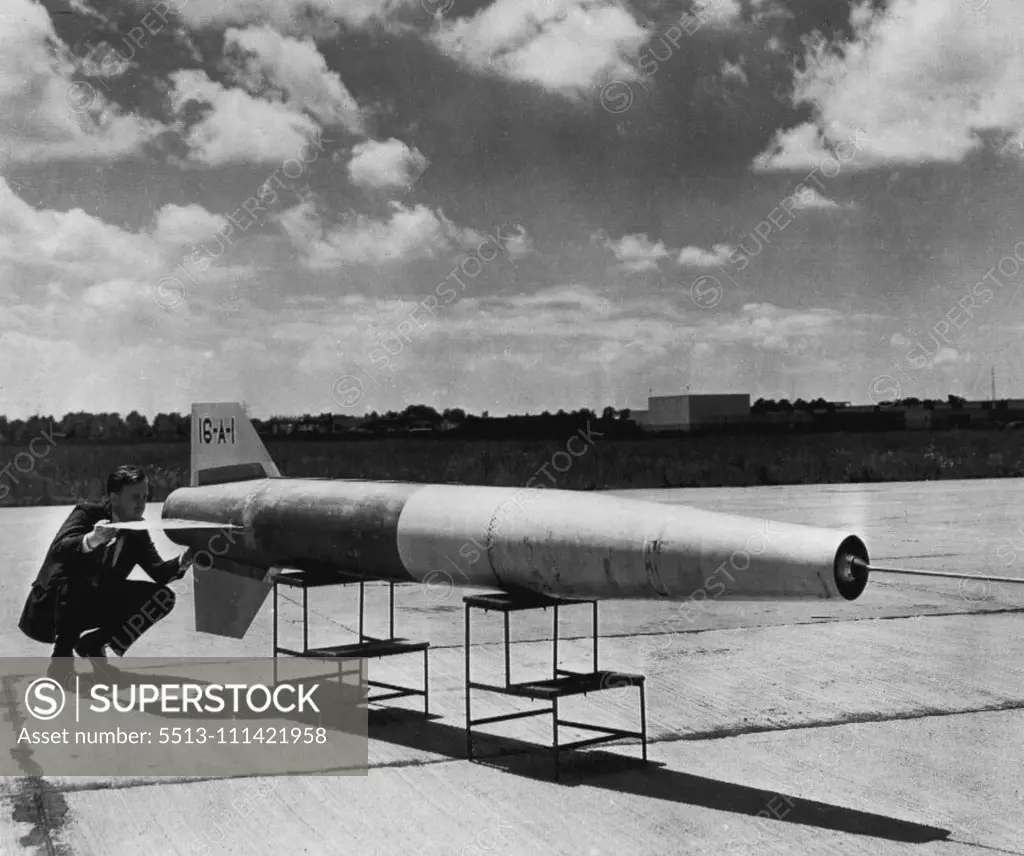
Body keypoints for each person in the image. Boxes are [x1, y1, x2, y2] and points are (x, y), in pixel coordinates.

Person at [18, 465, 194, 677]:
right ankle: (60, 661)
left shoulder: (137, 530)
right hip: (55, 605)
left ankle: (93, 645)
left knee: (161, 598)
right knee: (77, 582)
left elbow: (160, 573)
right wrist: (93, 539)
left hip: (93, 600)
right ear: (114, 497)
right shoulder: (87, 513)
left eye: (145, 496)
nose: (142, 505)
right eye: (135, 497)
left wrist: (187, 558)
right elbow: (59, 550)